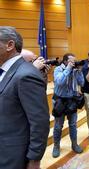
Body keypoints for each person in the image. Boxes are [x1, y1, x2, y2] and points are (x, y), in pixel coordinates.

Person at [0, 26, 49, 169]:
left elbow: (39, 122)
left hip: (13, 156)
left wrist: (34, 160)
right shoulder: (6, 71)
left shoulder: (26, 75)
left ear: (10, 45)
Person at [52, 53, 85, 158]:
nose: (74, 63)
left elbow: (82, 83)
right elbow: (59, 82)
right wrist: (68, 69)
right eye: (71, 61)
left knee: (73, 125)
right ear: (65, 61)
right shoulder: (58, 69)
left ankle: (74, 144)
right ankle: (56, 146)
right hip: (60, 101)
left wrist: (79, 71)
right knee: (58, 126)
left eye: (74, 61)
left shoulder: (75, 71)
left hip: (71, 100)